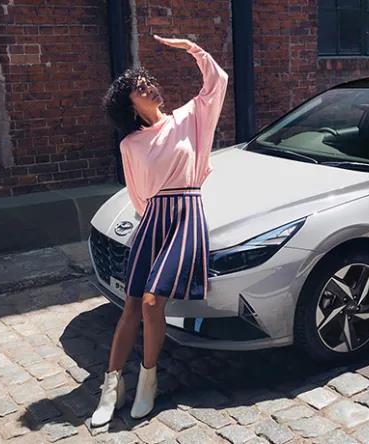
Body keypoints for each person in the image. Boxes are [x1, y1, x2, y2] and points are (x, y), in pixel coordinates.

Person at [91, 34, 228, 426]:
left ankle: (148, 380)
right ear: (129, 105)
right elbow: (138, 195)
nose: (148, 87)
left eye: (147, 82)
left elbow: (217, 82)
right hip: (152, 220)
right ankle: (111, 385)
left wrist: (193, 49)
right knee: (131, 305)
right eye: (139, 88)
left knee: (153, 303)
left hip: (187, 214)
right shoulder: (130, 145)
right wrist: (151, 222)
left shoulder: (190, 118)